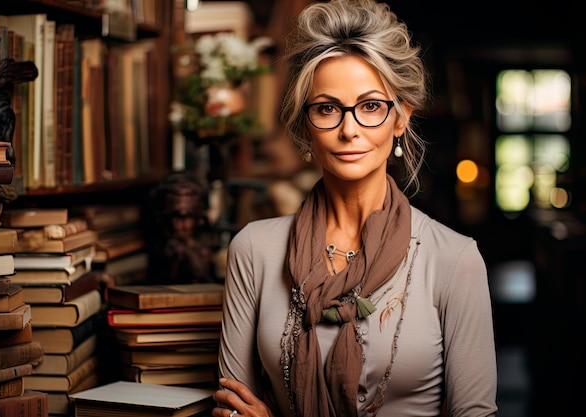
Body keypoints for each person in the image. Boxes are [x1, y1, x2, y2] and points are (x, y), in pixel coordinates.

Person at [212, 0, 498, 416]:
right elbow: (233, 409)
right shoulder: (254, 249)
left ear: (400, 118)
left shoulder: (454, 259)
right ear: (305, 124)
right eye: (327, 108)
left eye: (370, 107)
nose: (349, 130)